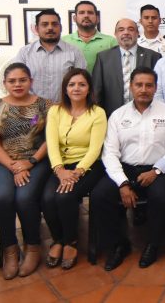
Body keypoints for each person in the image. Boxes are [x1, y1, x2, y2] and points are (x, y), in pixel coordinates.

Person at [90, 67, 165, 270]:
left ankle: (152, 245)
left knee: (161, 197)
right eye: (139, 85)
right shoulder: (117, 115)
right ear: (131, 87)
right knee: (99, 196)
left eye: (149, 85)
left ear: (156, 88)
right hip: (125, 169)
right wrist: (122, 183)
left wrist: (156, 171)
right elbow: (110, 153)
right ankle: (118, 244)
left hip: (158, 169)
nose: (144, 89)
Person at [0, 63, 54, 279]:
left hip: (37, 160)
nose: (17, 84)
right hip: (4, 161)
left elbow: (51, 139)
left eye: (22, 80)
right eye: (12, 81)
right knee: (3, 197)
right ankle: (10, 249)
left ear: (30, 81)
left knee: (24, 197)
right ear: (4, 83)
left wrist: (29, 162)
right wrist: (14, 166)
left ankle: (33, 247)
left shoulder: (46, 105)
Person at [42, 68, 107, 270]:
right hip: (59, 165)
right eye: (71, 84)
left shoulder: (98, 113)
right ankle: (58, 240)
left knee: (65, 197)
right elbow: (51, 143)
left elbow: (95, 149)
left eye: (81, 84)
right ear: (65, 89)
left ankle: (70, 242)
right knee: (47, 198)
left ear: (89, 89)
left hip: (87, 166)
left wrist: (77, 172)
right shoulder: (55, 111)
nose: (76, 88)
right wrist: (60, 170)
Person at [12, 9, 86, 102]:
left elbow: (83, 83)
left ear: (61, 28)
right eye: (45, 24)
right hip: (32, 110)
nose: (50, 28)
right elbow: (16, 82)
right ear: (36, 28)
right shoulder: (24, 53)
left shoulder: (74, 52)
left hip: (64, 110)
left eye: (54, 24)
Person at [92, 18, 161, 116]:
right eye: (121, 30)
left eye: (131, 29)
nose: (126, 33)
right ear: (115, 34)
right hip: (112, 115)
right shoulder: (103, 58)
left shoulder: (153, 57)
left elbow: (158, 90)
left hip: (147, 115)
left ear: (138, 33)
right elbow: (96, 91)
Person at [61, 1, 118, 73]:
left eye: (90, 13)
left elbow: (117, 69)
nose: (86, 16)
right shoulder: (63, 41)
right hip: (74, 84)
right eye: (81, 12)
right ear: (74, 18)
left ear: (97, 18)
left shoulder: (111, 42)